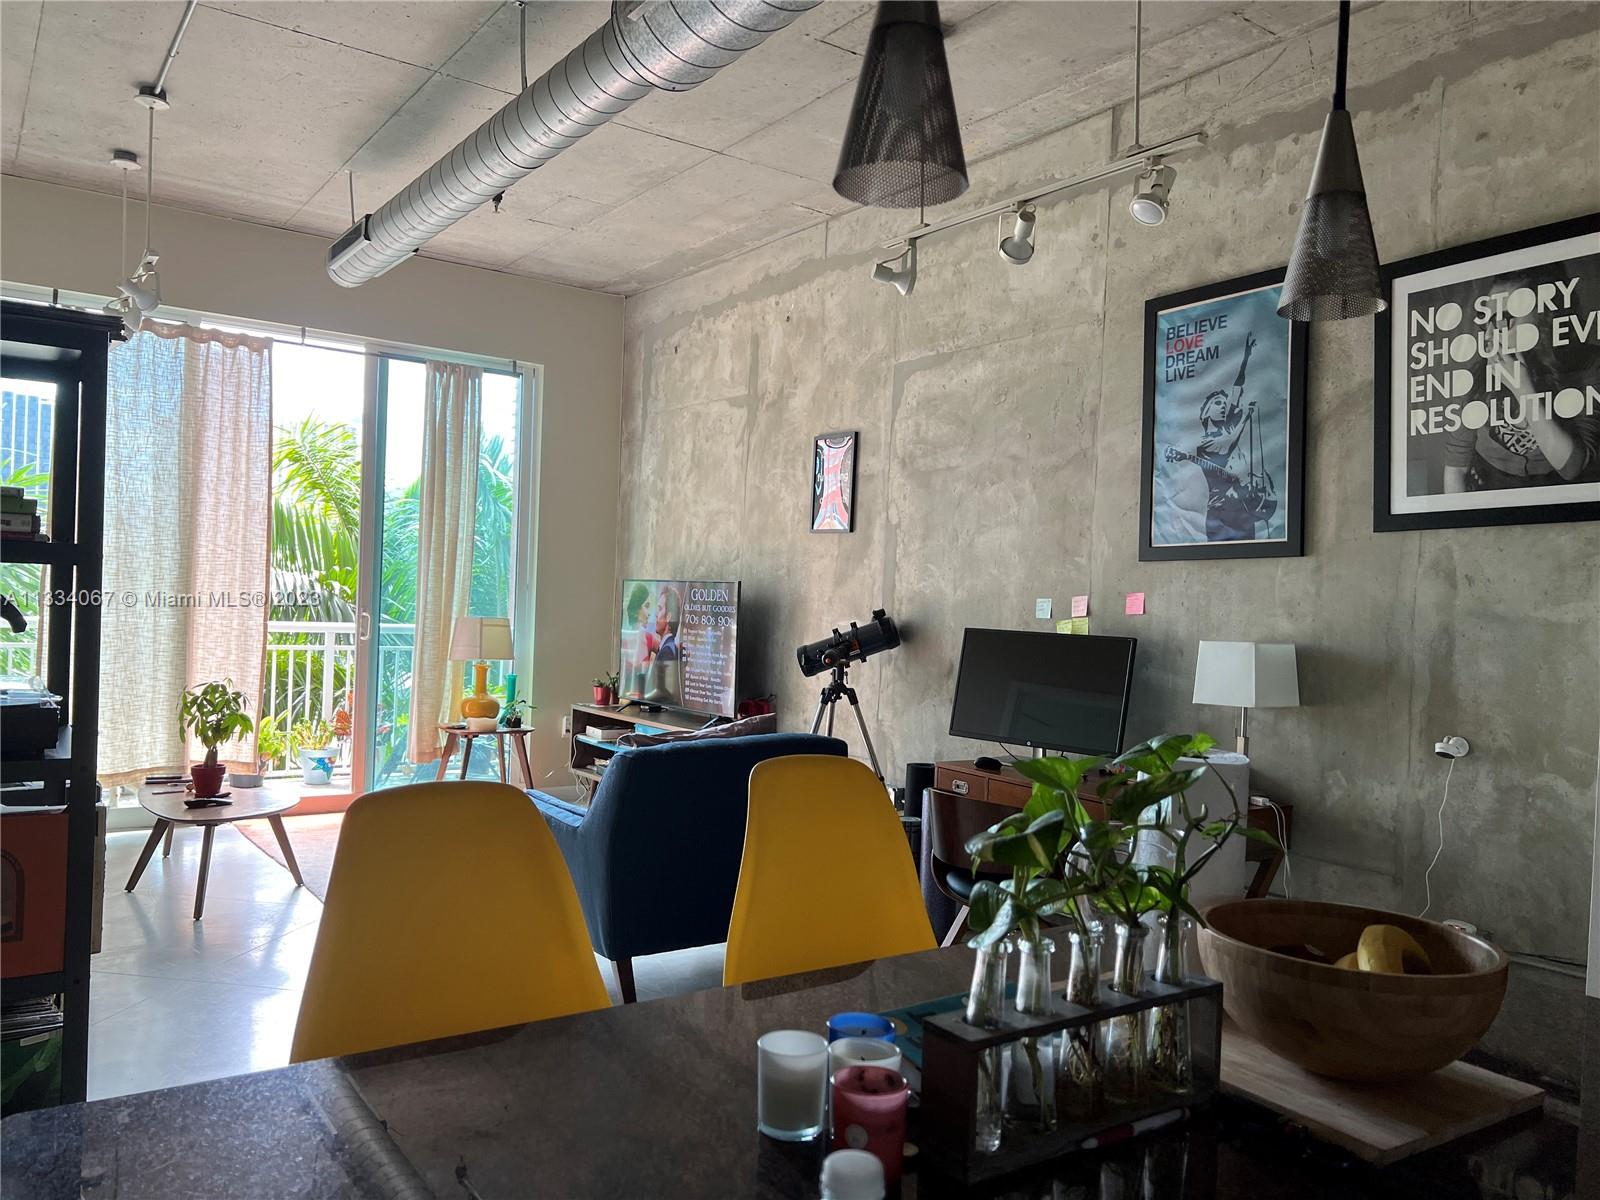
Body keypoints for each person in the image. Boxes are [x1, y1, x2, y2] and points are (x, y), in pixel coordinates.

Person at [1190, 332, 1277, 541]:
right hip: (1221, 513)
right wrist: (1246, 417)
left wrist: (1246, 357)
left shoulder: (1228, 427)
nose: (1223, 407)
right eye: (1217, 404)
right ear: (1205, 413)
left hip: (1245, 510)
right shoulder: (1204, 443)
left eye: (1224, 403)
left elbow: (1237, 390)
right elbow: (1227, 446)